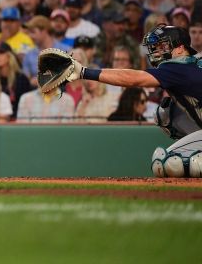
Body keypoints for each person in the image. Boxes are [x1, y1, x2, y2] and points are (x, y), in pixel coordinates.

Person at [66, 24, 202, 177]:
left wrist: (84, 72)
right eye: (155, 46)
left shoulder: (177, 67)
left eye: (162, 45)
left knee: (169, 162)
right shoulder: (192, 63)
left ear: (179, 48)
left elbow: (132, 79)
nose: (156, 50)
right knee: (167, 111)